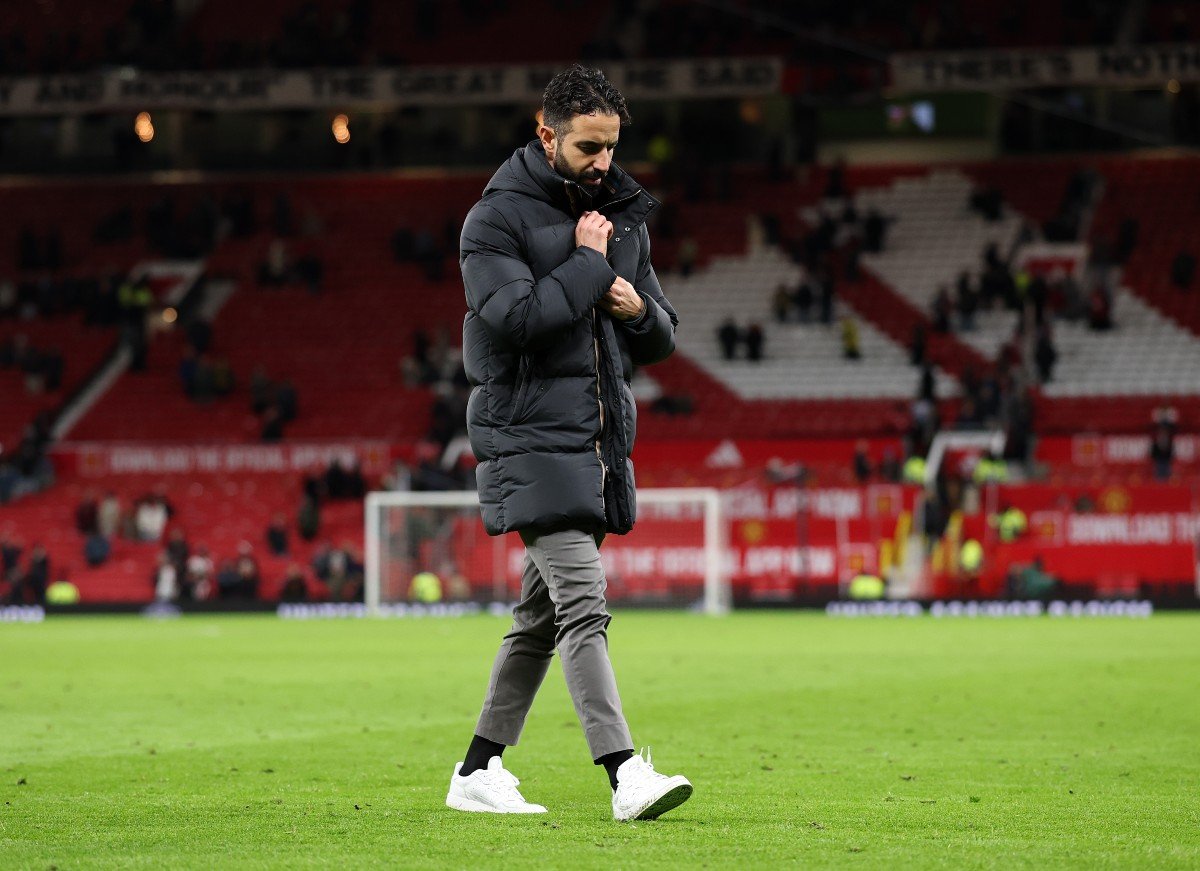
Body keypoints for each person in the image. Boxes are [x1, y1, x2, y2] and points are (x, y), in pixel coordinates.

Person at [452, 65, 692, 821]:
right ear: (545, 132)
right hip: (526, 439)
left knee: (542, 618)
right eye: (589, 147)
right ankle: (626, 774)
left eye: (612, 148)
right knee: (585, 602)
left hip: (591, 445)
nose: (604, 163)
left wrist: (634, 310)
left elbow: (661, 337)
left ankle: (477, 769)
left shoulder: (621, 213)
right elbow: (515, 319)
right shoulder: (492, 222)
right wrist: (590, 266)